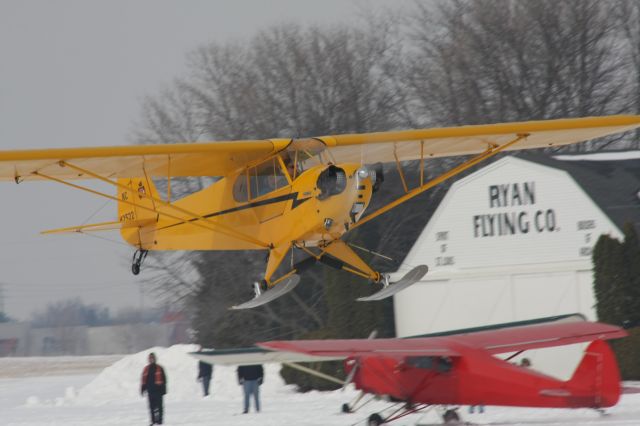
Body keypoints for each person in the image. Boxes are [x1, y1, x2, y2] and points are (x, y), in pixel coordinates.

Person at [141, 352, 167, 425]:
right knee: (151, 407)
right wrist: (143, 389)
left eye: (152, 358)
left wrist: (164, 390)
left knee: (159, 407)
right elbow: (143, 380)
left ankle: (159, 421)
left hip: (158, 391)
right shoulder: (146, 369)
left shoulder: (160, 368)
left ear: (155, 359)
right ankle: (153, 421)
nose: (151, 360)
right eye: (150, 358)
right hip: (150, 391)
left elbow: (164, 380)